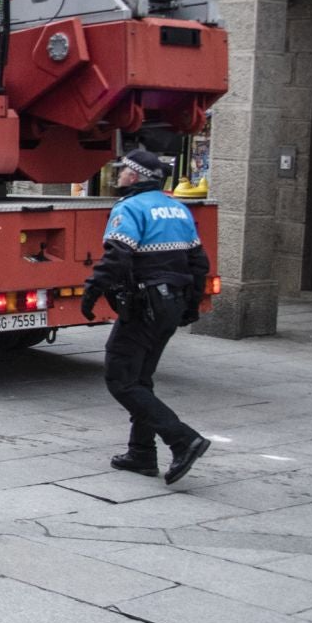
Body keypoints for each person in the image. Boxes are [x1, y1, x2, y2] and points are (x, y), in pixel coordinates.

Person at [82, 149, 213, 485]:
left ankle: (182, 439)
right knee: (141, 379)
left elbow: (117, 258)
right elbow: (199, 263)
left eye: (125, 170)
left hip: (145, 304)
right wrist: (191, 305)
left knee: (120, 378)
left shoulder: (128, 208)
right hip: (172, 303)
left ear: (136, 176)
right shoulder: (178, 208)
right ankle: (141, 453)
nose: (121, 175)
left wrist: (92, 291)